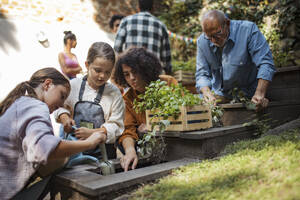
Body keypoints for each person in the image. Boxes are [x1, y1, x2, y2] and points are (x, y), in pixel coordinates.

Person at [0, 67, 105, 200]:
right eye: (62, 96)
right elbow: (43, 148)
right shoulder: (35, 106)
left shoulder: (21, 103)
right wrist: (88, 143)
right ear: (48, 84)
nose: (61, 105)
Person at [54, 42, 125, 162]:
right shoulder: (73, 85)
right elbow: (59, 107)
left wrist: (93, 133)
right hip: (73, 153)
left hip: (103, 156)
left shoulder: (114, 93)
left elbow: (117, 126)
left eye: (108, 72)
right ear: (87, 65)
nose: (102, 76)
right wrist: (64, 117)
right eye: (97, 70)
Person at [195, 10, 276, 111]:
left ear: (227, 24)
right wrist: (207, 93)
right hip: (220, 95)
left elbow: (266, 63)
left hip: (250, 95)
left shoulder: (248, 30)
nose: (214, 40)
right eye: (209, 37)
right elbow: (202, 74)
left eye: (218, 33)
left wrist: (259, 93)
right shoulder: (202, 42)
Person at [113, 47, 177, 172]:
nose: (131, 78)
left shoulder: (168, 83)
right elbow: (128, 130)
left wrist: (154, 125)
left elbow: (180, 113)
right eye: (126, 74)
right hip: (148, 149)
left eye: (135, 71)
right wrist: (130, 151)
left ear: (145, 69)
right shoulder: (127, 99)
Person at [114, 0, 172, 74]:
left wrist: (120, 68)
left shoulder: (126, 21)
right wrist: (168, 72)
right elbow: (166, 57)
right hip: (152, 72)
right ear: (153, 8)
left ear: (138, 7)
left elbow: (117, 47)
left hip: (131, 72)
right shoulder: (161, 25)